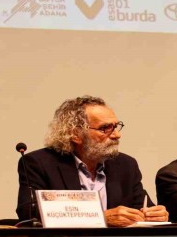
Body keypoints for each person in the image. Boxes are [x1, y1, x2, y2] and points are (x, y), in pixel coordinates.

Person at [17, 96, 168, 227]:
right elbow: (30, 214)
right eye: (105, 128)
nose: (116, 135)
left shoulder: (125, 165)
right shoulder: (39, 163)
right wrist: (100, 218)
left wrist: (154, 215)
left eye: (116, 126)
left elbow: (141, 207)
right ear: (76, 134)